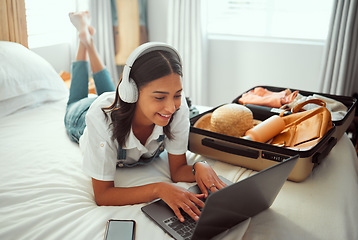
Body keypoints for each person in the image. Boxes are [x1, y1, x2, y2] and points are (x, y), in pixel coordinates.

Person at [64, 11, 225, 223]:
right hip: (83, 115)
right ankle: (83, 41)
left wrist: (199, 166)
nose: (171, 107)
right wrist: (159, 189)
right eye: (160, 97)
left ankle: (87, 39)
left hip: (120, 105)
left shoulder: (177, 108)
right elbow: (103, 195)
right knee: (76, 98)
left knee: (110, 91)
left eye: (177, 94)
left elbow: (177, 171)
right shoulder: (100, 118)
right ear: (131, 92)